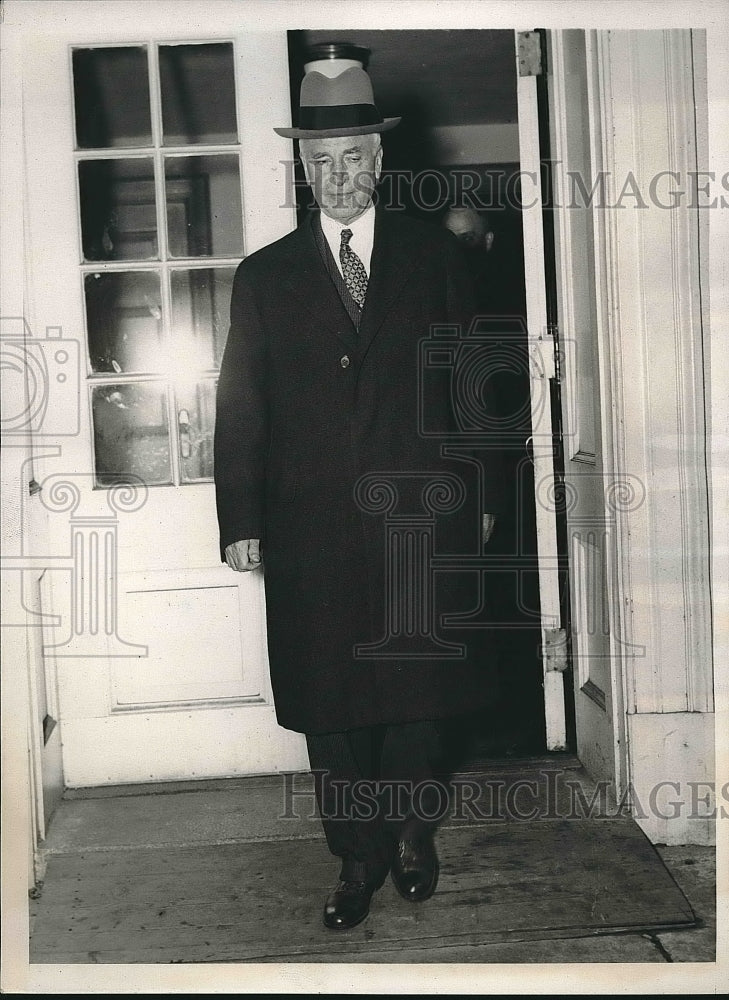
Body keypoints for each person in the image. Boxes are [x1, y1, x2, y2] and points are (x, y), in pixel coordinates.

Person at [214, 57, 504, 930]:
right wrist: (241, 519)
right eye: (323, 160)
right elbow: (242, 406)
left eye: (354, 158)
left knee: (417, 696)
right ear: (302, 166)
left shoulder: (433, 256)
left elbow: (472, 387)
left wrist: (483, 492)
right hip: (309, 529)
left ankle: (414, 834)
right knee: (329, 707)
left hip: (421, 518)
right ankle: (355, 858)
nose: (340, 177)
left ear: (379, 161)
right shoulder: (262, 278)